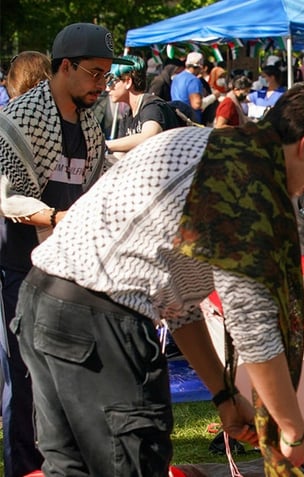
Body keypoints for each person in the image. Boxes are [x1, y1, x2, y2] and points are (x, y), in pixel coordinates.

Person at [13, 83, 304, 476]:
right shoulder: (245, 180)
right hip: (101, 323)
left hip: (42, 300)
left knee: (70, 469)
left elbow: (177, 304)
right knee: (131, 465)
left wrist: (224, 393)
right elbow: (251, 321)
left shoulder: (198, 144)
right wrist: (290, 428)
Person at [0, 23, 129, 477]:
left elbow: (97, 186)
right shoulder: (20, 118)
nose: (102, 84)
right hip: (19, 267)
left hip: (70, 270)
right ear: (66, 67)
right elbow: (9, 196)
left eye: (107, 75)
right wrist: (58, 219)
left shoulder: (90, 123)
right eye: (95, 73)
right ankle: (24, 469)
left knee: (73, 378)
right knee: (26, 375)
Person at [104, 55, 180, 157]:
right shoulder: (127, 117)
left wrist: (106, 145)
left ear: (127, 82)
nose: (107, 89)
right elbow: (119, 157)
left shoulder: (152, 106)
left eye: (111, 81)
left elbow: (149, 136)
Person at [170, 52, 205, 123]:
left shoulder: (176, 78)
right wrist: (213, 97)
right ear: (199, 67)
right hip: (191, 119)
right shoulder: (193, 80)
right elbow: (196, 104)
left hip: (176, 117)